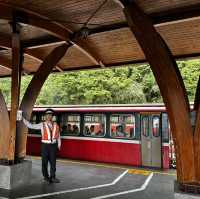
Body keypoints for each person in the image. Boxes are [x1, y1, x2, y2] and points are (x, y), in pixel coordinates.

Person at [23, 109, 61, 183]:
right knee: (44, 162)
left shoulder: (56, 125)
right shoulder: (42, 124)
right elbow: (31, 126)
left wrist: (59, 145)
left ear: (52, 116)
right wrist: (23, 119)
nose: (49, 116)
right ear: (45, 116)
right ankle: (46, 177)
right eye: (48, 115)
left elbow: (58, 136)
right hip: (45, 145)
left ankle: (53, 177)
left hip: (53, 145)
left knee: (53, 162)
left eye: (51, 115)